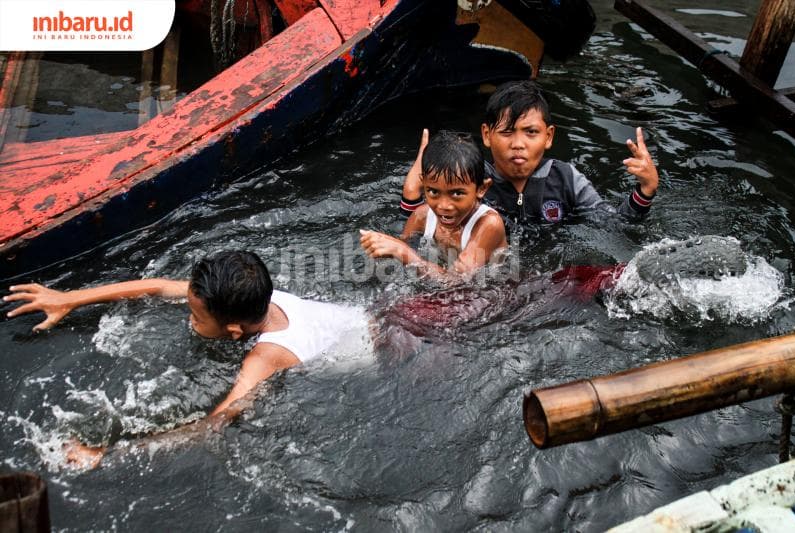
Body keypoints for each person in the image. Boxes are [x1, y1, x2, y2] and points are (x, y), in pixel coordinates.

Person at [4, 250, 368, 468]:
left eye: (197, 318)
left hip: (376, 352)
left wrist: (106, 453)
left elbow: (216, 423)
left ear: (235, 331)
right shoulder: (252, 297)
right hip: (362, 318)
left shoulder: (265, 358)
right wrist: (68, 298)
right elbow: (157, 286)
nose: (188, 319)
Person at [400, 80, 659, 227]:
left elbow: (613, 225)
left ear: (548, 137)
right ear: (487, 135)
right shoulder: (471, 178)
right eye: (507, 132)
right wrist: (412, 196)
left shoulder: (566, 178)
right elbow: (432, 225)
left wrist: (645, 189)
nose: (518, 143)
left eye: (531, 132)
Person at [361, 130, 507, 280]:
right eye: (433, 192)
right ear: (424, 185)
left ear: (481, 189)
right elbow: (400, 265)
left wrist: (403, 252)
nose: (444, 205)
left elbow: (456, 281)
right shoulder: (421, 216)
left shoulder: (489, 224)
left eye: (457, 193)